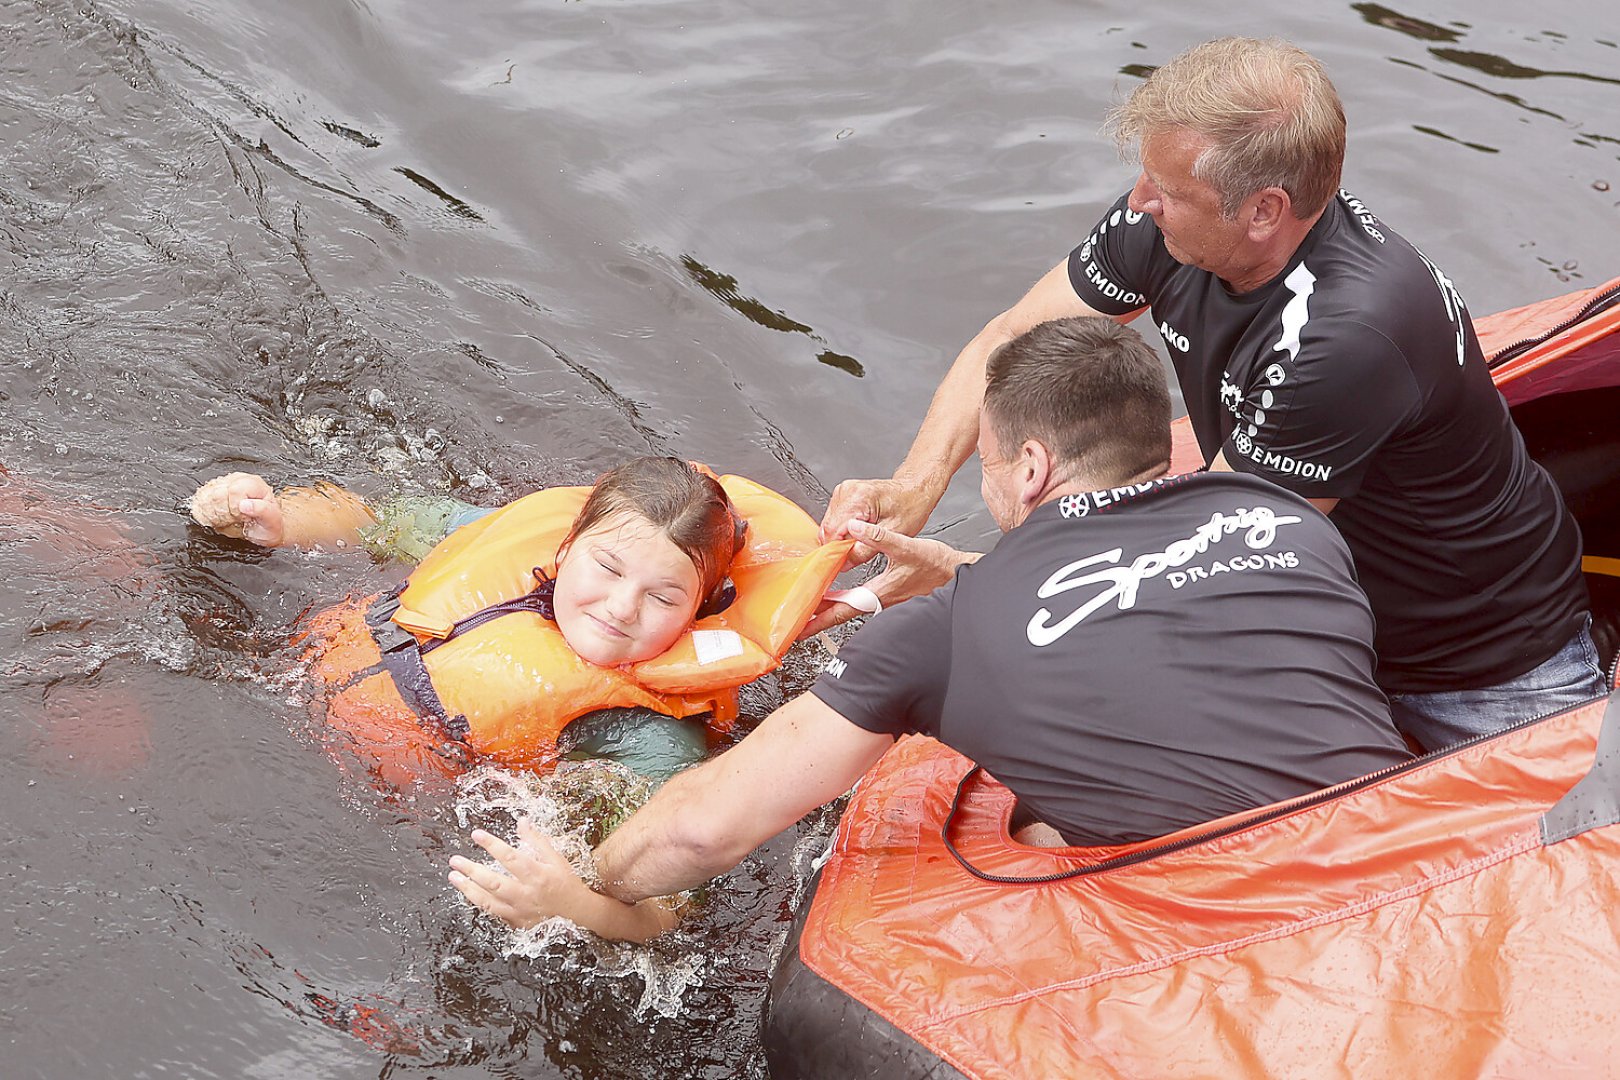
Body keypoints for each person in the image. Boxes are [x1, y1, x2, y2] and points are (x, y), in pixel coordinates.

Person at [447, 316, 1414, 941]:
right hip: (1426, 851)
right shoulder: (1285, 520)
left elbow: (699, 832)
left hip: (1266, 932)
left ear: (1030, 468)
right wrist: (961, 575)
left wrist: (585, 882)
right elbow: (1154, 602)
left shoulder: (941, 637)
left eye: (987, 462)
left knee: (1029, 821)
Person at [811, 37, 1601, 750]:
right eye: (1146, 175)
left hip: (1483, 664)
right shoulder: (1162, 222)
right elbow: (1007, 341)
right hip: (1332, 627)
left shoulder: (1348, 335)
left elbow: (1213, 553)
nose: (1140, 201)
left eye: (1167, 188)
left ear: (1264, 210)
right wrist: (915, 486)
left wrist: (965, 576)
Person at [190, 456, 841, 783]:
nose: (620, 607)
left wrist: (569, 898)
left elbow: (665, 879)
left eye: (664, 597)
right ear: (566, 546)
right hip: (262, 676)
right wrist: (272, 520)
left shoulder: (648, 735)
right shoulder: (500, 541)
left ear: (699, 611)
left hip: (360, 795)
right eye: (607, 568)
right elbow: (371, 519)